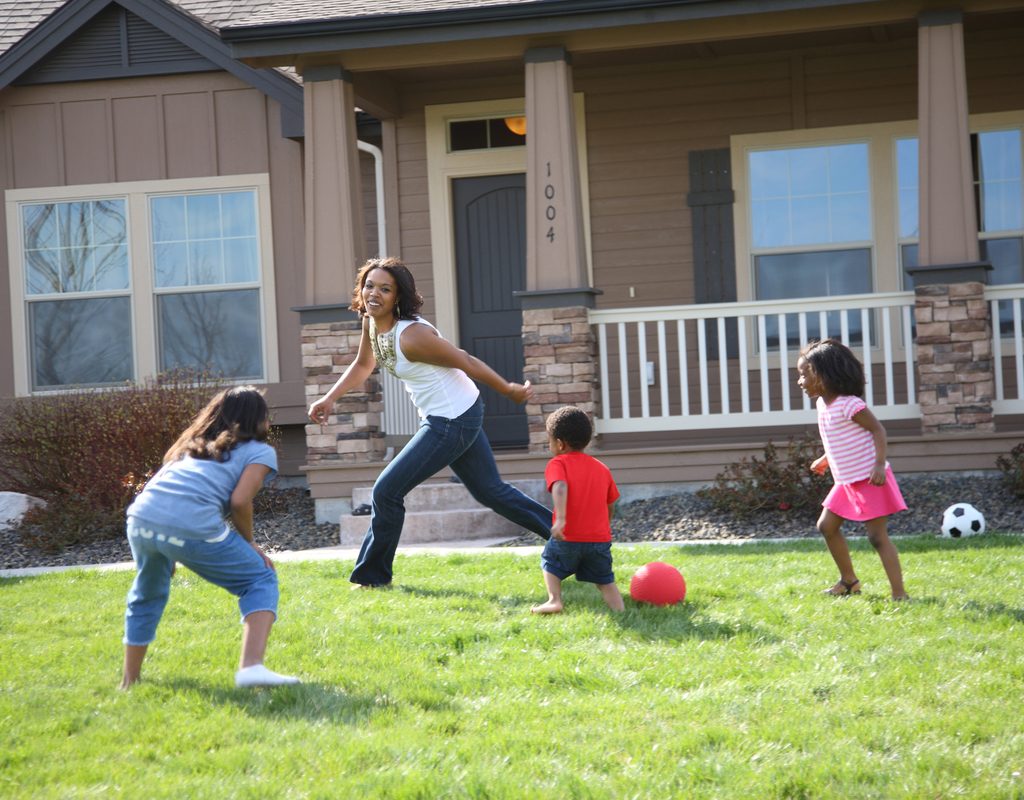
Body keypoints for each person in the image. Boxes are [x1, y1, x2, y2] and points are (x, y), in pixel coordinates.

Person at [307, 257, 552, 587]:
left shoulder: (412, 336)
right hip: (456, 413)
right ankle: (571, 538)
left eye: (385, 289)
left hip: (452, 420)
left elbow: (465, 360)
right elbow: (364, 365)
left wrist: (508, 389)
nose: (374, 294)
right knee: (490, 491)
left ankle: (372, 577)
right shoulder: (371, 322)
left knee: (386, 491)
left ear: (398, 296)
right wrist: (329, 398)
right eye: (369, 285)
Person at [120, 386, 299, 689]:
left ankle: (129, 681)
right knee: (259, 577)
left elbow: (161, 491)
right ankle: (251, 668)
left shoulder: (189, 448)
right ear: (258, 420)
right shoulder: (260, 452)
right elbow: (240, 501)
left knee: (147, 592)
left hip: (141, 519)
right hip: (190, 524)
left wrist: (164, 551)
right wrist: (250, 543)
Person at [797, 339, 909, 600]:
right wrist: (826, 458)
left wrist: (879, 464)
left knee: (877, 537)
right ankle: (849, 582)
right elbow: (841, 438)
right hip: (846, 481)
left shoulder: (850, 404)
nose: (800, 381)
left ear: (823, 375)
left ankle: (899, 594)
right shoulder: (822, 405)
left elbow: (877, 430)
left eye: (804, 375)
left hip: (870, 478)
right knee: (826, 526)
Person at [531, 406, 624, 614]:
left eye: (549, 441)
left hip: (568, 536)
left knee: (550, 561)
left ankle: (554, 600)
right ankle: (620, 610)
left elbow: (560, 486)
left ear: (560, 444)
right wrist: (605, 526)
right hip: (599, 540)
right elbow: (610, 503)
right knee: (605, 580)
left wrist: (561, 519)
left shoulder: (557, 463)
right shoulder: (602, 468)